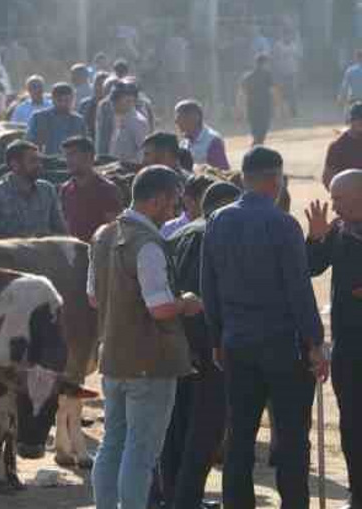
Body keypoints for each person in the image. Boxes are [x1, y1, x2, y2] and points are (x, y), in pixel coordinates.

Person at [201, 146, 329, 509]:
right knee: (291, 440)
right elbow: (298, 290)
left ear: (243, 178)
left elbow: (208, 285)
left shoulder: (218, 220)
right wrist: (315, 342)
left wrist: (216, 338)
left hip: (236, 344)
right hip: (282, 347)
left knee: (240, 437)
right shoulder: (283, 223)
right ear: (276, 181)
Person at [90, 165, 200, 509]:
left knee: (112, 444)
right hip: (150, 364)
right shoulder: (147, 244)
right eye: (173, 201)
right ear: (157, 200)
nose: (176, 209)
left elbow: (93, 296)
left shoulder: (103, 235)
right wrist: (187, 303)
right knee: (141, 451)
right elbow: (160, 308)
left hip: (113, 358)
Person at [159, 181, 243, 509]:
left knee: (175, 424)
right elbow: (208, 292)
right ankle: (186, 499)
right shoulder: (218, 234)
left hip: (174, 342)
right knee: (206, 428)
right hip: (210, 345)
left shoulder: (177, 235)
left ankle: (173, 495)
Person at [306, 170, 362, 509]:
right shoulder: (338, 232)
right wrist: (314, 238)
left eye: (339, 199)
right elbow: (310, 268)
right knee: (353, 424)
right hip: (350, 349)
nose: (334, 205)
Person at [0, 140, 68, 238]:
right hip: (8, 252)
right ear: (15, 164)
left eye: (39, 161)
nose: (39, 165)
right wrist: (19, 240)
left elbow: (62, 231)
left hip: (43, 252)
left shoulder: (47, 189)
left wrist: (46, 237)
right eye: (33, 161)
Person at [59, 136, 122, 242]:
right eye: (66, 156)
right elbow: (65, 226)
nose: (68, 160)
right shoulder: (65, 189)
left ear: (89, 156)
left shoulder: (107, 190)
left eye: (72, 154)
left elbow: (114, 230)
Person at [26, 83, 86, 156]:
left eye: (67, 100)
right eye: (59, 100)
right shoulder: (39, 118)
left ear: (73, 100)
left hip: (71, 164)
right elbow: (29, 145)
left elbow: (84, 147)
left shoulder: (78, 121)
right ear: (53, 99)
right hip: (46, 163)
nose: (63, 104)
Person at [175, 99, 230, 170]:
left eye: (179, 117)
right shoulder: (183, 143)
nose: (176, 121)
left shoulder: (212, 141)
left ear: (194, 117)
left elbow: (222, 172)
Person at [161, 174, 218, 239]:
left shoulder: (217, 227)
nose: (211, 203)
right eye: (206, 198)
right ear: (188, 200)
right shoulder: (169, 229)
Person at [323, 102, 362, 189]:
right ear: (351, 121)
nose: (361, 123)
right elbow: (328, 179)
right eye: (358, 120)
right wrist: (343, 196)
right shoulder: (338, 146)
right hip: (348, 196)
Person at [110, 82, 149, 164]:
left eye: (117, 99)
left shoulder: (137, 122)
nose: (113, 103)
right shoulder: (120, 120)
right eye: (113, 99)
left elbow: (143, 152)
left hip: (129, 172)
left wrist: (128, 165)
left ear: (130, 100)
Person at [240, 54, 274, 146]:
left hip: (251, 104)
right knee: (264, 124)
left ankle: (256, 140)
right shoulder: (267, 75)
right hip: (264, 104)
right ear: (264, 63)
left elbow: (243, 91)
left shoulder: (248, 76)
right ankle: (259, 141)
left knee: (254, 123)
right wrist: (276, 103)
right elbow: (272, 90)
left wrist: (242, 105)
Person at [273, 30, 302, 118]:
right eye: (286, 35)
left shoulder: (295, 45)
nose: (288, 37)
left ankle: (294, 111)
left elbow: (299, 58)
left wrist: (299, 70)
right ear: (283, 36)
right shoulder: (278, 45)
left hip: (293, 72)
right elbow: (274, 58)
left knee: (293, 93)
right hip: (281, 73)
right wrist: (276, 71)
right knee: (281, 92)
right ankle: (282, 112)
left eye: (289, 35)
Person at [78, 71, 109, 140]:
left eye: (102, 85)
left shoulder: (112, 106)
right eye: (97, 84)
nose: (99, 88)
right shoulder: (84, 104)